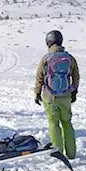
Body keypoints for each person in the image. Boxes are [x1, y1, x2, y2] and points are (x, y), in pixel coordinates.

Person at [34, 30, 80, 159]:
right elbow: (76, 76)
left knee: (53, 124)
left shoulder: (46, 58)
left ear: (48, 42)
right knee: (67, 123)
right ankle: (71, 154)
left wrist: (37, 93)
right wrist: (74, 91)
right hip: (65, 96)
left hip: (49, 96)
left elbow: (39, 77)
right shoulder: (69, 58)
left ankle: (58, 153)